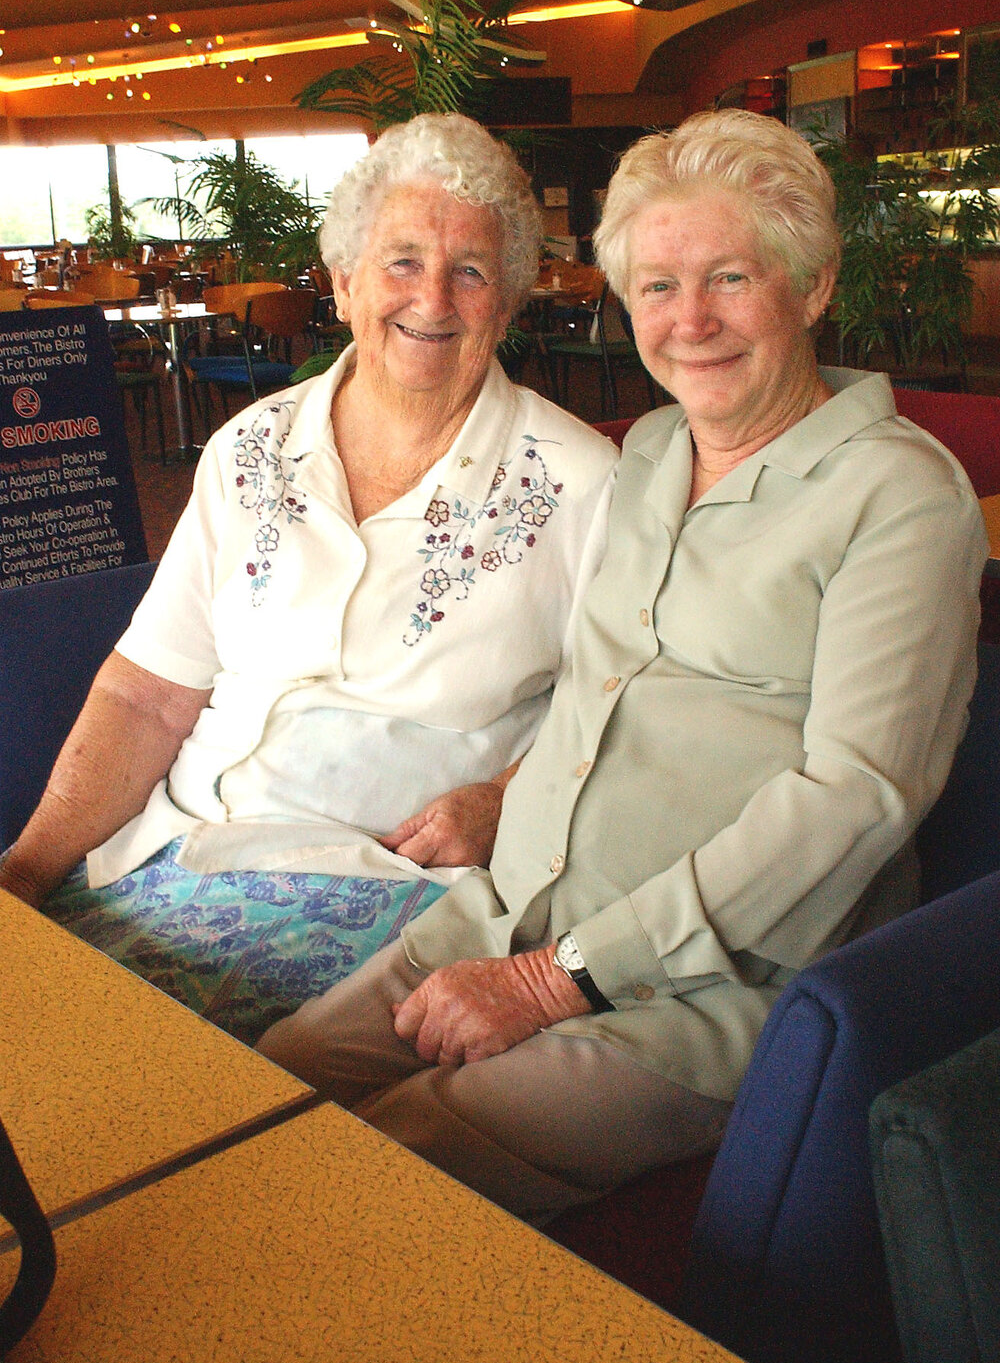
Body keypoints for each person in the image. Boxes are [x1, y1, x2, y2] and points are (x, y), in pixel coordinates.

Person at [256, 109, 989, 1223]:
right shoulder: (647, 454)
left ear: (813, 284)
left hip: (711, 987)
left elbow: (858, 795)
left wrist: (556, 980)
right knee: (269, 1082)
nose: (688, 321)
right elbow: (592, 699)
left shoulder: (897, 496)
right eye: (654, 287)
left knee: (386, 1164)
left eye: (730, 277)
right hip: (512, 912)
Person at [0, 114, 617, 1039]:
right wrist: (24, 870)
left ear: (511, 298)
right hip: (172, 851)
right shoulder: (246, 448)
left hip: (385, 884)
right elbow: (145, 697)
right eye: (401, 261)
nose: (433, 299)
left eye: (472, 271)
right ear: (342, 280)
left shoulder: (582, 484)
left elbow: (629, 707)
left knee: (128, 1065)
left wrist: (511, 797)